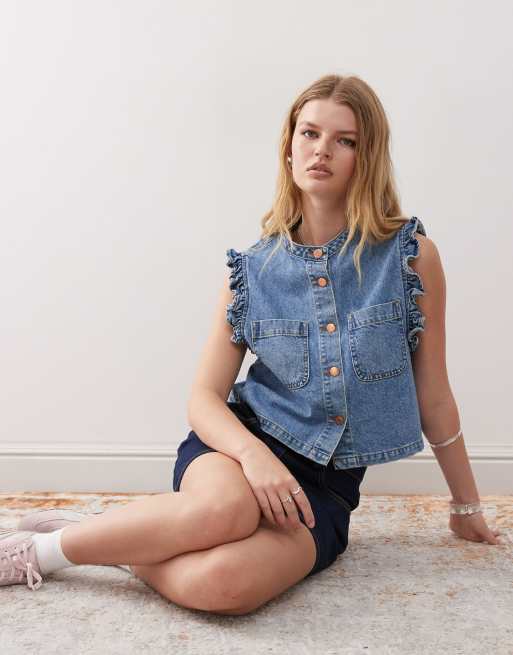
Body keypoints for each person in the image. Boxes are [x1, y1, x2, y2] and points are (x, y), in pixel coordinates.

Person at [1, 74, 502, 613]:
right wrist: (253, 456)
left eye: (345, 140)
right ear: (289, 147)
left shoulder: (409, 258)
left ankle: (113, 539)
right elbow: (203, 398)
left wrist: (466, 506)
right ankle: (39, 552)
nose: (322, 150)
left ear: (368, 156)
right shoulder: (253, 270)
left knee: (223, 586)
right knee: (226, 513)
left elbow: (434, 396)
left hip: (322, 489)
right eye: (309, 133)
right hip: (235, 452)